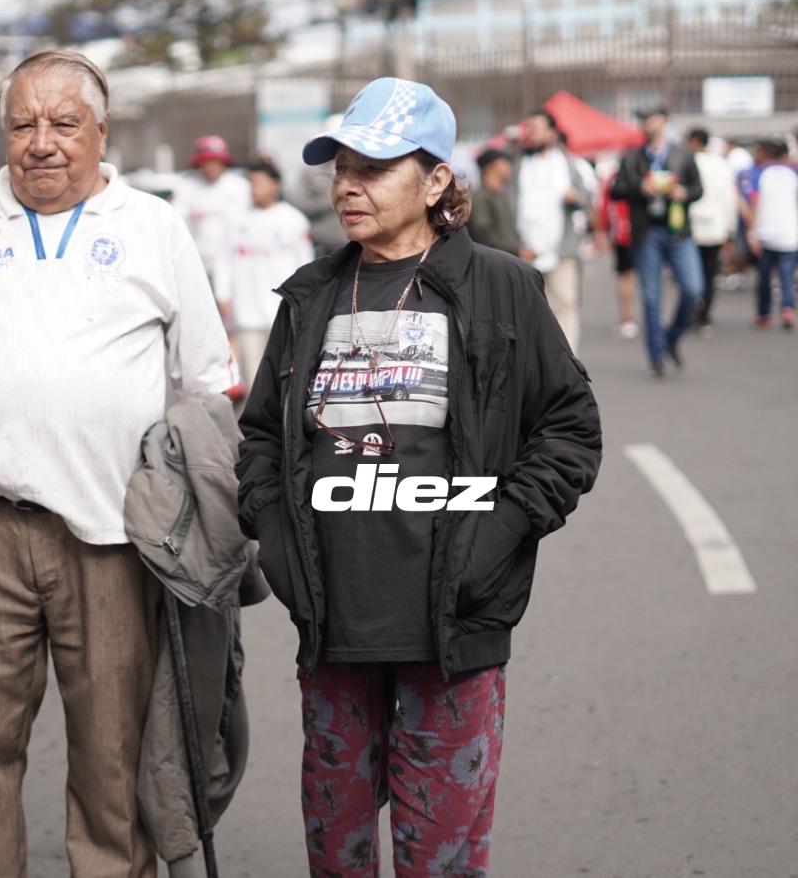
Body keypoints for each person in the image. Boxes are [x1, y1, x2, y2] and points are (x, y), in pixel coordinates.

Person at [0, 50, 239, 878]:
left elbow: (205, 391)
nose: (42, 142)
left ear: (102, 132)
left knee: (113, 762)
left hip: (113, 537)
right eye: (23, 124)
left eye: (64, 123)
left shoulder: (153, 227)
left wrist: (200, 537)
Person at [236, 77, 602, 878]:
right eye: (340, 167)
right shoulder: (312, 296)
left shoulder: (499, 287)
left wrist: (495, 537)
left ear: (437, 181)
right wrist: (276, 542)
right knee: (337, 855)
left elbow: (571, 429)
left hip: (452, 628)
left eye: (374, 167)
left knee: (438, 859)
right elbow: (262, 433)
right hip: (335, 625)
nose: (348, 186)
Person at [610, 105, 704, 378]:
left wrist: (683, 192)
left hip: (678, 230)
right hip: (646, 232)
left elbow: (698, 189)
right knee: (651, 297)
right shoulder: (632, 156)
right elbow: (616, 191)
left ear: (664, 120)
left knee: (692, 289)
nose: (646, 124)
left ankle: (671, 338)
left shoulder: (682, 153)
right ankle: (656, 355)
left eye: (651, 119)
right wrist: (640, 186)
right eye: (643, 120)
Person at [218, 158, 313, 390]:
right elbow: (225, 259)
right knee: (254, 376)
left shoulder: (292, 219)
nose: (254, 188)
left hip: (281, 310)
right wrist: (223, 294)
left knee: (283, 374)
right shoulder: (237, 219)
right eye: (251, 183)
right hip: (247, 311)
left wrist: (305, 301)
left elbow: (305, 264)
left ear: (275, 185)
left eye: (259, 182)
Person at [512, 109, 592, 352]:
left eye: (536, 128)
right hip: (524, 251)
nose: (531, 134)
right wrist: (516, 245)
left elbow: (585, 197)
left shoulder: (568, 163)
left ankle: (569, 365)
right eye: (529, 129)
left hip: (561, 249)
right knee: (526, 311)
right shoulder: (518, 164)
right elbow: (508, 204)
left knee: (565, 306)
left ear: (552, 133)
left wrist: (575, 197)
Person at [173, 133, 252, 293]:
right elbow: (174, 221)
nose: (211, 167)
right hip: (198, 265)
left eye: (216, 161)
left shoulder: (240, 187)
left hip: (236, 263)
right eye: (207, 161)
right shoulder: (186, 187)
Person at [687, 128, 739, 336]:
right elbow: (729, 198)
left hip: (690, 227)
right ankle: (704, 316)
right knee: (709, 273)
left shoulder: (688, 161)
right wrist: (730, 229)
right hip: (715, 227)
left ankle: (692, 311)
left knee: (691, 275)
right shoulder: (720, 164)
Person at [741, 139, 798, 330]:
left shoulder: (759, 173)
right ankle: (788, 308)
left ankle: (764, 313)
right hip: (790, 235)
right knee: (787, 277)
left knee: (764, 278)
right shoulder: (793, 172)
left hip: (766, 234)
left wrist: (751, 231)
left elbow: (754, 203)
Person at [595, 167, 639, 340]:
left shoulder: (613, 179)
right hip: (627, 233)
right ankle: (628, 317)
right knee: (627, 276)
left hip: (627, 233)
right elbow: (605, 207)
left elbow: (604, 207)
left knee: (626, 276)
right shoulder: (618, 179)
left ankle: (628, 318)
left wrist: (604, 231)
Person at [466, 148, 522, 256]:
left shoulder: (503, 196)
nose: (508, 167)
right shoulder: (480, 197)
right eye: (503, 163)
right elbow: (483, 235)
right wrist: (516, 251)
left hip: (508, 260)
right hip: (491, 263)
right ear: (489, 168)